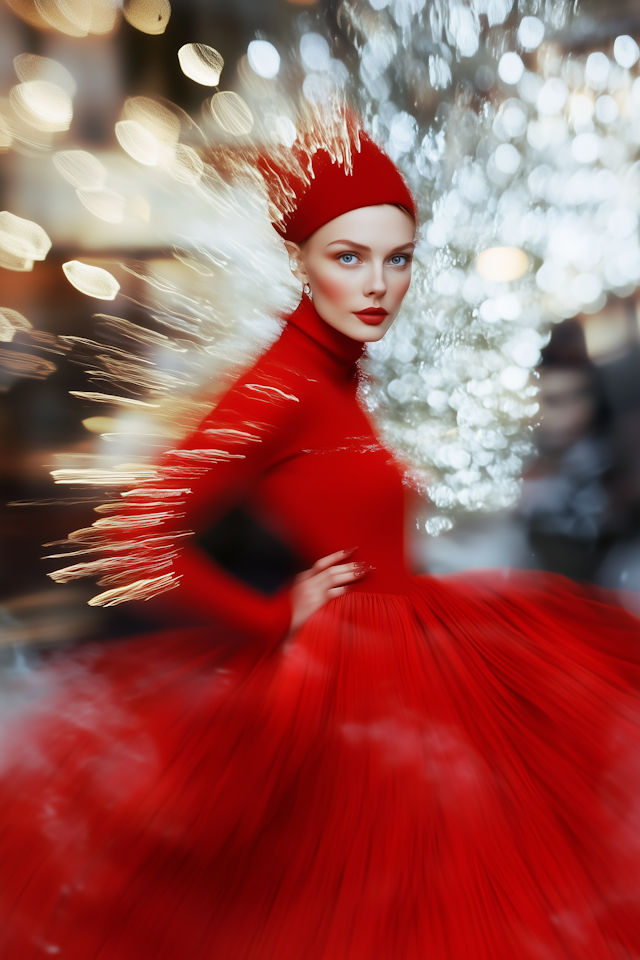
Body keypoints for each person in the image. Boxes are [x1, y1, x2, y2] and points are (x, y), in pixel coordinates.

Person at [1, 121, 640, 960]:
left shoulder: (334, 374)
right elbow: (134, 537)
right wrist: (273, 620)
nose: (377, 284)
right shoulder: (284, 386)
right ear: (302, 258)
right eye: (348, 257)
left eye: (397, 258)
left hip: (406, 669)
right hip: (358, 689)